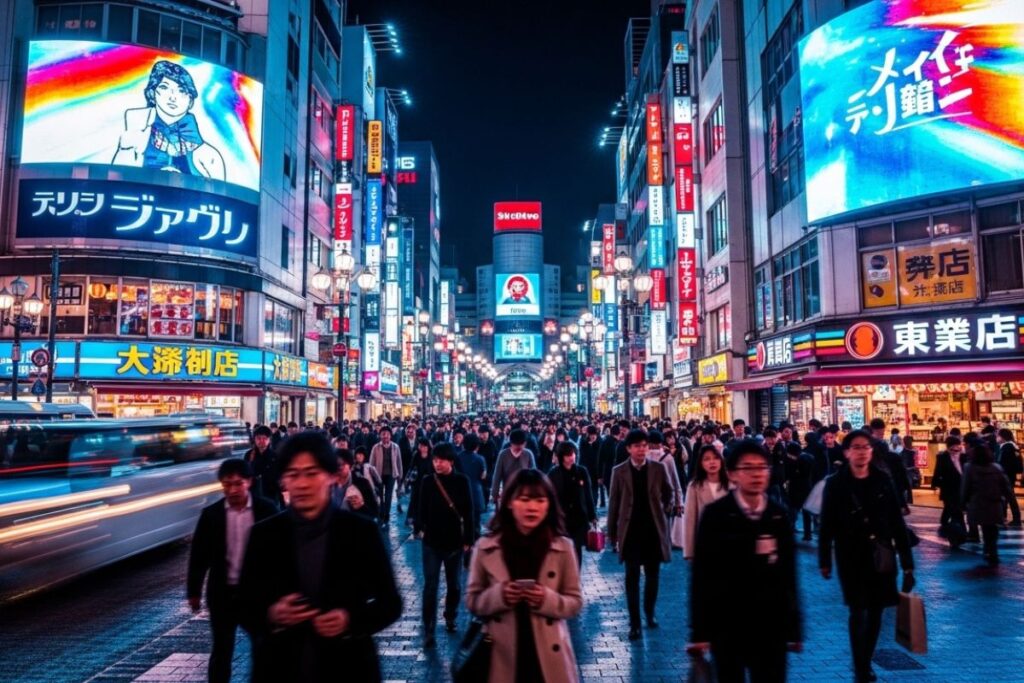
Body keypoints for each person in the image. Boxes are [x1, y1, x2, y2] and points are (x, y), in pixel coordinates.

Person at [239, 432, 402, 682]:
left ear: (331, 477)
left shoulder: (360, 532)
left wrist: (350, 620)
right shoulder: (264, 535)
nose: (302, 483)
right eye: (293, 474)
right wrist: (272, 613)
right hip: (279, 667)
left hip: (347, 666)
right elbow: (242, 602)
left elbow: (390, 602)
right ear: (284, 481)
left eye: (312, 473)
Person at [688, 440, 802, 682]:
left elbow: (789, 575)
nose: (756, 474)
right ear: (732, 474)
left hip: (771, 626)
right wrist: (699, 631)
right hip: (728, 625)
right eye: (748, 468)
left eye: (762, 467)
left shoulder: (778, 515)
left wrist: (794, 627)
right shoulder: (716, 515)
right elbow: (702, 576)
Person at [466, 469, 583, 682]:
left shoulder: (563, 547)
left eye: (540, 499)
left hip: (548, 656)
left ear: (549, 505)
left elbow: (575, 601)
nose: (532, 507)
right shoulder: (486, 547)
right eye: (524, 499)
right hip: (501, 656)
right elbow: (473, 600)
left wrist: (546, 598)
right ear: (509, 502)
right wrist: (499, 596)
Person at [819, 430, 915, 683]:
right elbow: (827, 522)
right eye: (856, 447)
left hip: (881, 554)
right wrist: (824, 559)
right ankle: (861, 666)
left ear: (872, 451)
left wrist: (907, 563)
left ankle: (865, 660)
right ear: (847, 452)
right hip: (849, 554)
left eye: (866, 447)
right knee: (857, 609)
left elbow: (896, 522)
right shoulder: (836, 482)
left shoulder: (883, 480)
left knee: (876, 610)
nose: (862, 451)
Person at [187, 459, 278, 683]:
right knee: (221, 649)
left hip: (256, 595)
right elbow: (199, 556)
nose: (233, 490)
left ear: (249, 482)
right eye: (227, 485)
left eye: (238, 483)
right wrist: (194, 591)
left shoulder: (266, 510)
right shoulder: (211, 515)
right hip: (222, 593)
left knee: (263, 646)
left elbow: (278, 552)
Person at [607, 429, 674, 640]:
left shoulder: (658, 468)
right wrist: (612, 534)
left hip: (653, 529)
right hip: (631, 531)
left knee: (653, 576)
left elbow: (668, 492)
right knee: (632, 577)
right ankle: (634, 622)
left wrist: (664, 508)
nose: (641, 449)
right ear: (628, 449)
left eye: (644, 445)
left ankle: (649, 612)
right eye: (636, 446)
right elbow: (614, 504)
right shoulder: (619, 472)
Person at [113, 60, 226, 180]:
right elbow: (114, 182)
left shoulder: (209, 155)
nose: (173, 97)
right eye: (164, 87)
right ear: (153, 93)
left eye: (181, 90)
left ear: (190, 100)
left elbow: (222, 195)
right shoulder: (135, 139)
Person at [415, 443, 474, 646]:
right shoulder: (428, 481)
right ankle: (428, 627)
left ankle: (450, 615)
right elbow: (421, 507)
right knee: (430, 586)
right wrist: (420, 528)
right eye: (434, 460)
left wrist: (469, 539)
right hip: (431, 542)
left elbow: (468, 512)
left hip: (454, 543)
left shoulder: (462, 481)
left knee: (454, 585)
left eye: (440, 460)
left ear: (450, 461)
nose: (437, 464)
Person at [962, 443, 1015, 566]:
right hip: (994, 503)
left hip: (978, 502)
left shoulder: (969, 467)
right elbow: (1006, 486)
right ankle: (992, 550)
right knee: (992, 528)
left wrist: (963, 502)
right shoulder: (996, 468)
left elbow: (965, 487)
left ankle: (988, 549)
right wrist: (1009, 499)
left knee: (985, 527)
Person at [547, 441, 598, 568]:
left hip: (579, 518)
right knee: (561, 548)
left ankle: (575, 578)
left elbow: (588, 495)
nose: (572, 457)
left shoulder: (582, 471)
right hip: (561, 518)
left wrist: (593, 516)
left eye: (573, 454)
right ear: (561, 457)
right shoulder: (554, 473)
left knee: (576, 549)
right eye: (568, 455)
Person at [683, 445, 730, 561]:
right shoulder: (694, 487)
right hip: (705, 545)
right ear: (701, 463)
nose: (712, 462)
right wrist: (689, 552)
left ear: (721, 460)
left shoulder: (732, 484)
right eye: (707, 459)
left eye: (715, 458)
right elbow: (690, 520)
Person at [931, 436, 965, 542]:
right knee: (954, 509)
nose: (956, 450)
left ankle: (945, 524)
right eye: (953, 447)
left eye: (958, 447)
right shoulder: (942, 457)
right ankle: (960, 530)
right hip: (948, 487)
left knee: (952, 508)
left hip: (960, 486)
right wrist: (935, 483)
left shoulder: (964, 456)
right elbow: (938, 471)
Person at [490, 429, 537, 504]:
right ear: (511, 443)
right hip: (508, 491)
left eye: (521, 445)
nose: (519, 448)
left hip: (524, 492)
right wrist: (495, 494)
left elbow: (534, 474)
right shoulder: (503, 454)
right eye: (516, 445)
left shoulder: (528, 454)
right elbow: (497, 475)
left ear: (525, 443)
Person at [332, 449, 379, 521]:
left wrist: (361, 505)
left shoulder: (362, 483)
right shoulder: (327, 484)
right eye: (336, 464)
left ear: (350, 466)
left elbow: (374, 512)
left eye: (343, 464)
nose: (339, 467)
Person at [456, 433, 488, 536]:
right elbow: (483, 476)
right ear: (476, 445)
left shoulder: (458, 457)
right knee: (476, 525)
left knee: (462, 523)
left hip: (460, 493)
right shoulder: (480, 459)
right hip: (476, 493)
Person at [370, 426, 403, 525]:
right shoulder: (376, 447)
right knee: (380, 495)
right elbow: (371, 463)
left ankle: (386, 514)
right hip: (378, 475)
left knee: (388, 496)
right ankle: (381, 513)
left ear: (390, 436)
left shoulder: (395, 447)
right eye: (383, 434)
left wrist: (399, 476)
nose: (385, 436)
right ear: (380, 436)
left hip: (391, 475)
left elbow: (399, 462)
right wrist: (371, 475)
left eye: (387, 434)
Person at [245, 425, 283, 508]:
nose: (261, 441)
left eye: (264, 438)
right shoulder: (249, 455)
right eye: (258, 438)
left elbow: (280, 478)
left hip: (271, 495)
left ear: (269, 440)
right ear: (254, 439)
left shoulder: (275, 456)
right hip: (254, 496)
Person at [995, 428, 1022, 526]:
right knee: (1008, 497)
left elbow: (1002, 463)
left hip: (1006, 476)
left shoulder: (1007, 447)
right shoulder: (1013, 445)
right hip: (1010, 475)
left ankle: (1013, 519)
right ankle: (1006, 517)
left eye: (998, 436)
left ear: (1003, 437)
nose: (996, 438)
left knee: (1008, 497)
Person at [579, 425, 605, 506]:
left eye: (594, 435)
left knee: (595, 490)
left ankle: (594, 508)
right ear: (588, 435)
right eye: (591, 435)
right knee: (586, 490)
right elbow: (582, 458)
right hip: (586, 470)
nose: (593, 437)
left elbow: (602, 459)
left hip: (596, 471)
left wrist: (601, 475)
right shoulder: (583, 442)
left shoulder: (600, 442)